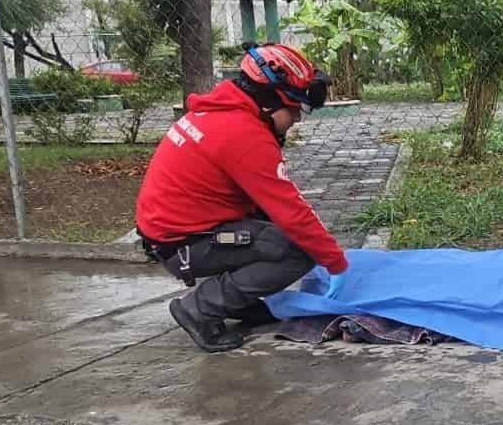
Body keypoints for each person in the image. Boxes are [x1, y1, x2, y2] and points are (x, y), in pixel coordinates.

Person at [135, 43, 347, 353]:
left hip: (177, 229)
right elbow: (292, 211)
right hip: (182, 242)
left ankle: (236, 302)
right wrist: (337, 263)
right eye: (296, 111)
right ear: (272, 101)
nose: (297, 121)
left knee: (267, 225)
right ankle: (200, 308)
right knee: (297, 251)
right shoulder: (243, 135)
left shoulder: (222, 109)